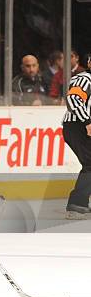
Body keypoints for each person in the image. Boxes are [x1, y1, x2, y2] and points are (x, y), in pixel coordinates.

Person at [62, 63, 91, 220]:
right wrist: (87, 122)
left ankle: (81, 202)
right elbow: (73, 99)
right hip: (77, 126)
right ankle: (77, 205)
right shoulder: (84, 79)